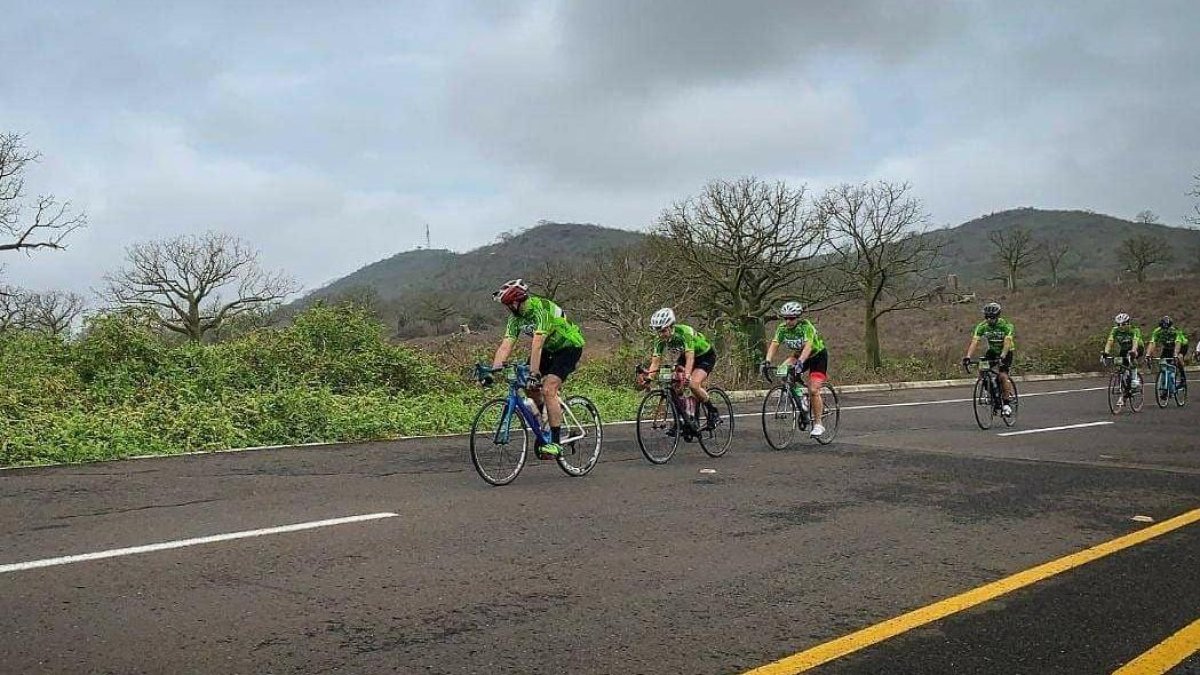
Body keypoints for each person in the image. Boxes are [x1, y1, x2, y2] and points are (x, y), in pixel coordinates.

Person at [487, 279, 585, 458]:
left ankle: (555, 443)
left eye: (508, 305)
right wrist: (493, 370)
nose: (507, 308)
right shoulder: (515, 319)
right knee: (528, 385)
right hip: (549, 349)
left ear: (516, 302)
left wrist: (534, 373)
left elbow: (537, 344)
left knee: (548, 389)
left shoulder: (541, 309)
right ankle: (546, 422)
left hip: (568, 347)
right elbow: (505, 346)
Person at [640, 308, 720, 431]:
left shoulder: (684, 332)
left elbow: (690, 357)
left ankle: (713, 412)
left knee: (693, 385)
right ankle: (683, 419)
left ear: (671, 327)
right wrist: (649, 377)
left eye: (663, 330)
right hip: (685, 357)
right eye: (658, 331)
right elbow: (655, 361)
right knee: (675, 385)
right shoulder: (659, 340)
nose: (661, 334)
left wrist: (687, 375)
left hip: (705, 356)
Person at [760, 301, 830, 437]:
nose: (788, 321)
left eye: (791, 318)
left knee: (814, 389)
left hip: (817, 356)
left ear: (798, 317)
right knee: (782, 370)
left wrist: (800, 363)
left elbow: (808, 346)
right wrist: (767, 361)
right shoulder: (782, 328)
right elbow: (775, 344)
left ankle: (818, 424)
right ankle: (800, 397)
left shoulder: (806, 327)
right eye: (785, 318)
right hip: (798, 355)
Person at [962, 302, 1017, 416]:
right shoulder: (982, 326)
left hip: (1006, 351)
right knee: (982, 371)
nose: (989, 319)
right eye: (987, 317)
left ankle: (1006, 404)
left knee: (1002, 376)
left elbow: (1007, 342)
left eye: (992, 317)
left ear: (997, 316)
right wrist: (968, 357)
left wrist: (1002, 356)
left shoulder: (1006, 325)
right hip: (992, 351)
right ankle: (994, 394)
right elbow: (975, 342)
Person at [1102, 312, 1144, 390]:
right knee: (1121, 364)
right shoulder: (1115, 330)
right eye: (1119, 325)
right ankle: (1124, 380)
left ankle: (1135, 379)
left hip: (1137, 347)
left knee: (1132, 357)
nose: (1121, 327)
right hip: (1124, 348)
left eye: (1123, 324)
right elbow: (1110, 341)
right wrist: (1106, 352)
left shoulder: (1134, 330)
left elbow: (1135, 341)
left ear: (1128, 323)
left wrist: (1133, 351)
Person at [1147, 316, 1187, 390]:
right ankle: (1164, 381)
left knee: (1179, 358)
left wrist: (1175, 354)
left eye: (1167, 328)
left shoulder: (1176, 331)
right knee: (1163, 362)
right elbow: (1152, 343)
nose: (1165, 331)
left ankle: (1182, 379)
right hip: (1168, 348)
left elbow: (1178, 343)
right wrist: (1148, 355)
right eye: (1163, 329)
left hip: (1181, 346)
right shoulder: (1157, 331)